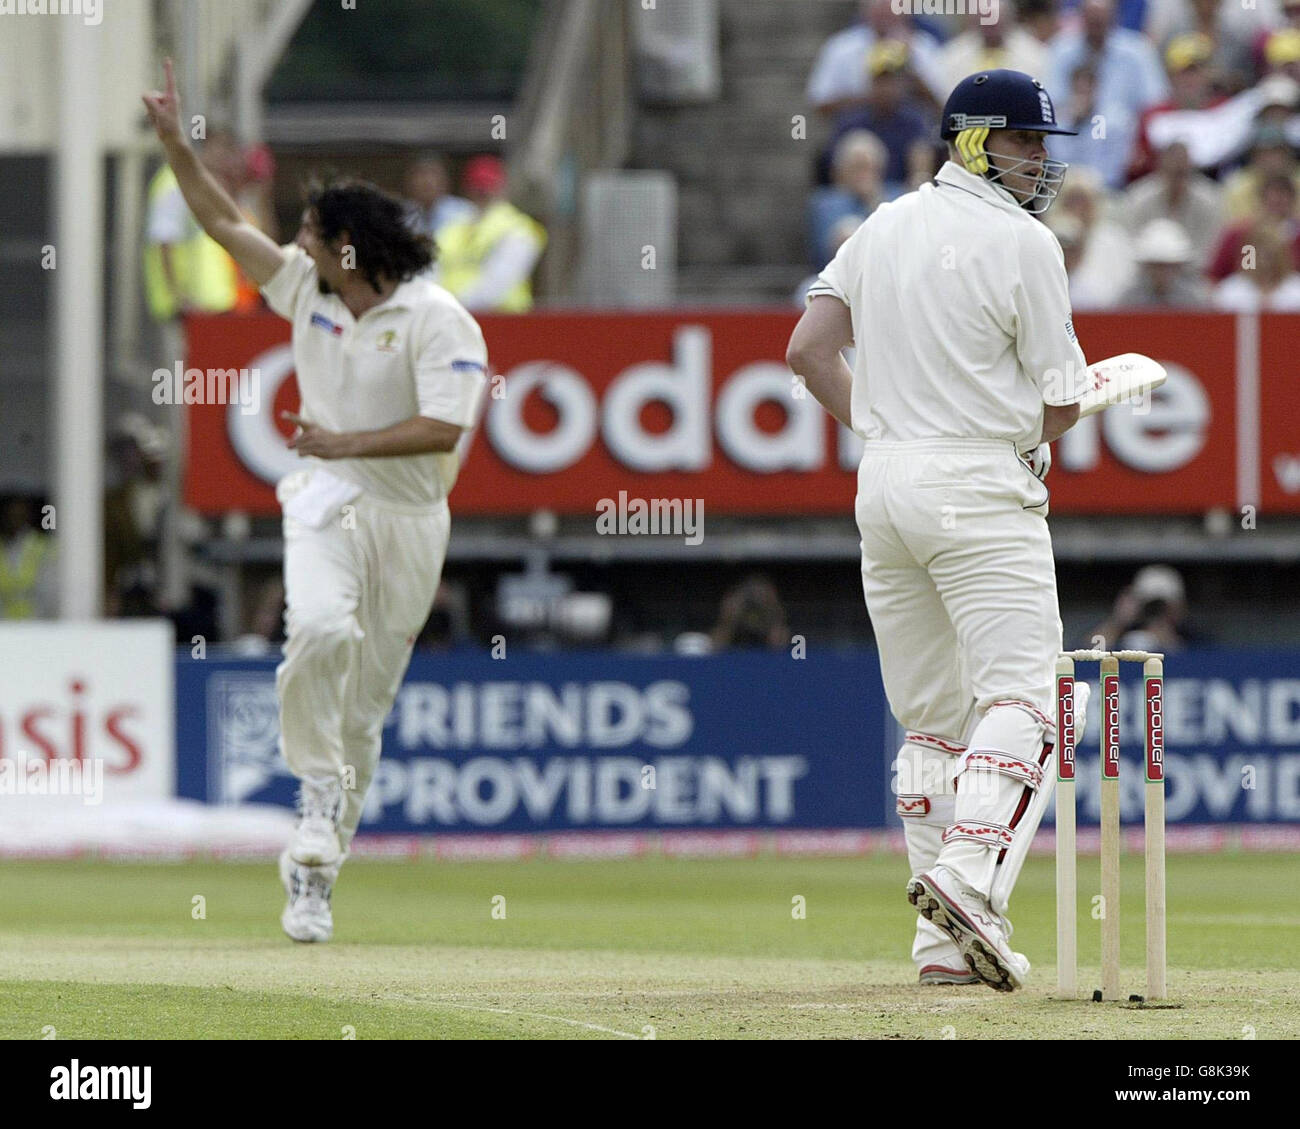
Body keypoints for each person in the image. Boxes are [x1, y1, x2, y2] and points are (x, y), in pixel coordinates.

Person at [143, 60, 489, 943]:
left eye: (308, 231)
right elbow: (220, 220)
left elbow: (444, 431)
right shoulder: (307, 290)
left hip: (409, 515)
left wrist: (346, 440)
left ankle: (317, 867)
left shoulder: (438, 318)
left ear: (348, 247)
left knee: (366, 707)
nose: (293, 243)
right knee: (321, 630)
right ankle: (315, 790)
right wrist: (176, 143)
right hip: (328, 494)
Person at [786, 70, 1091, 992]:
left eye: (1044, 143)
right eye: (1023, 141)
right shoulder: (1024, 242)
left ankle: (940, 950)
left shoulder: (881, 224)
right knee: (1034, 699)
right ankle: (965, 877)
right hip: (976, 483)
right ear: (970, 140)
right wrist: (1024, 438)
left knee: (934, 721)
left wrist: (881, 429)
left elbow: (806, 350)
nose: (1040, 159)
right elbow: (1064, 401)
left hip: (884, 486)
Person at [433, 155, 547, 312]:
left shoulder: (518, 229)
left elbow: (498, 281)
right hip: (453, 317)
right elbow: (433, 272)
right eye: (477, 185)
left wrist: (453, 306)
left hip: (503, 320)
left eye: (488, 184)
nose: (482, 191)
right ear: (467, 188)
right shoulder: (452, 229)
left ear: (502, 187)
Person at [1117, 218, 1209, 306]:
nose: (1162, 272)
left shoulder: (1193, 301)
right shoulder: (1129, 300)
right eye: (1157, 266)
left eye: (1168, 266)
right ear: (1146, 267)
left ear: (1179, 267)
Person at [0, 497, 55, 619]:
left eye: (19, 515)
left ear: (27, 517)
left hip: (35, 619)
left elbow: (50, 590)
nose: (14, 520)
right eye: (11, 515)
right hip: (4, 621)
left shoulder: (42, 545)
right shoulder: (3, 546)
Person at [402, 154, 474, 241]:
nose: (427, 181)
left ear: (445, 181)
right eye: (421, 174)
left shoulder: (463, 213)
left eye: (433, 174)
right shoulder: (400, 214)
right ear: (409, 182)